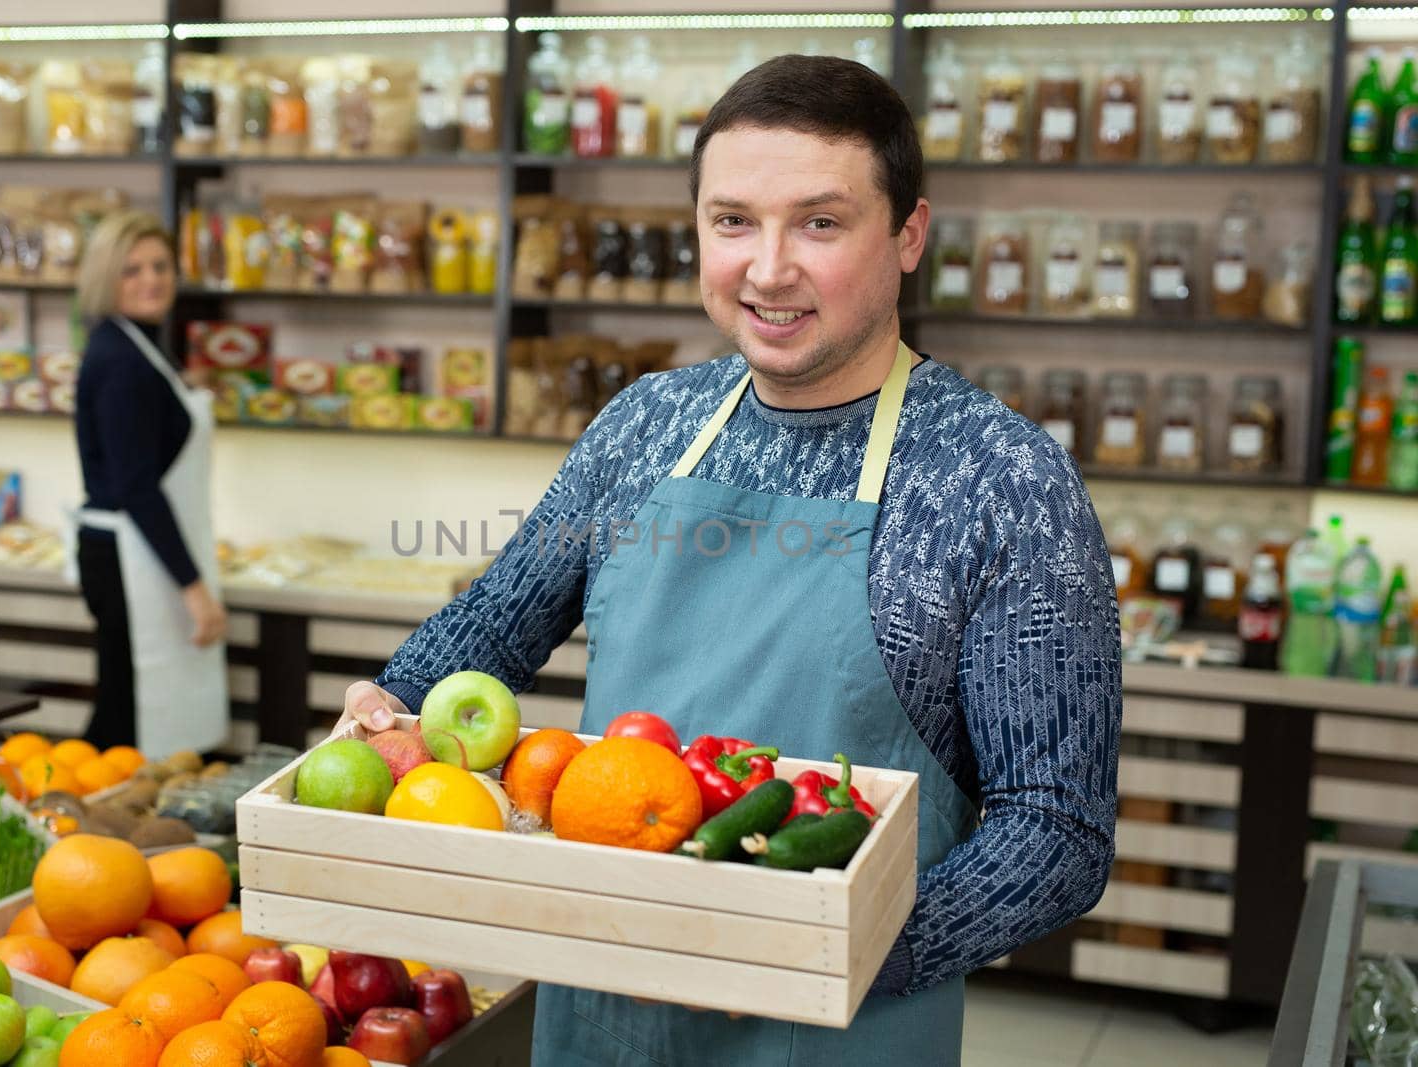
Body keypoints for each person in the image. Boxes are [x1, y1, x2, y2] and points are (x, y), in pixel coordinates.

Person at [337, 55, 1121, 1065]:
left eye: (821, 223)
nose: (767, 267)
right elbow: (494, 622)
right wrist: (392, 704)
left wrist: (812, 951)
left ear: (908, 235)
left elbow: (1056, 833)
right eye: (733, 220)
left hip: (836, 1025)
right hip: (604, 1006)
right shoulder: (644, 424)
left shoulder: (999, 477)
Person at [69, 210, 228, 759]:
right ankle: (82, 828)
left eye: (160, 266)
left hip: (126, 548)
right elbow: (137, 485)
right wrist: (196, 590)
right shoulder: (122, 361)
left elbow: (143, 435)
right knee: (124, 712)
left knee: (128, 700)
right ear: (105, 279)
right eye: (131, 270)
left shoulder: (133, 345)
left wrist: (183, 390)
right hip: (127, 557)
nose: (150, 280)